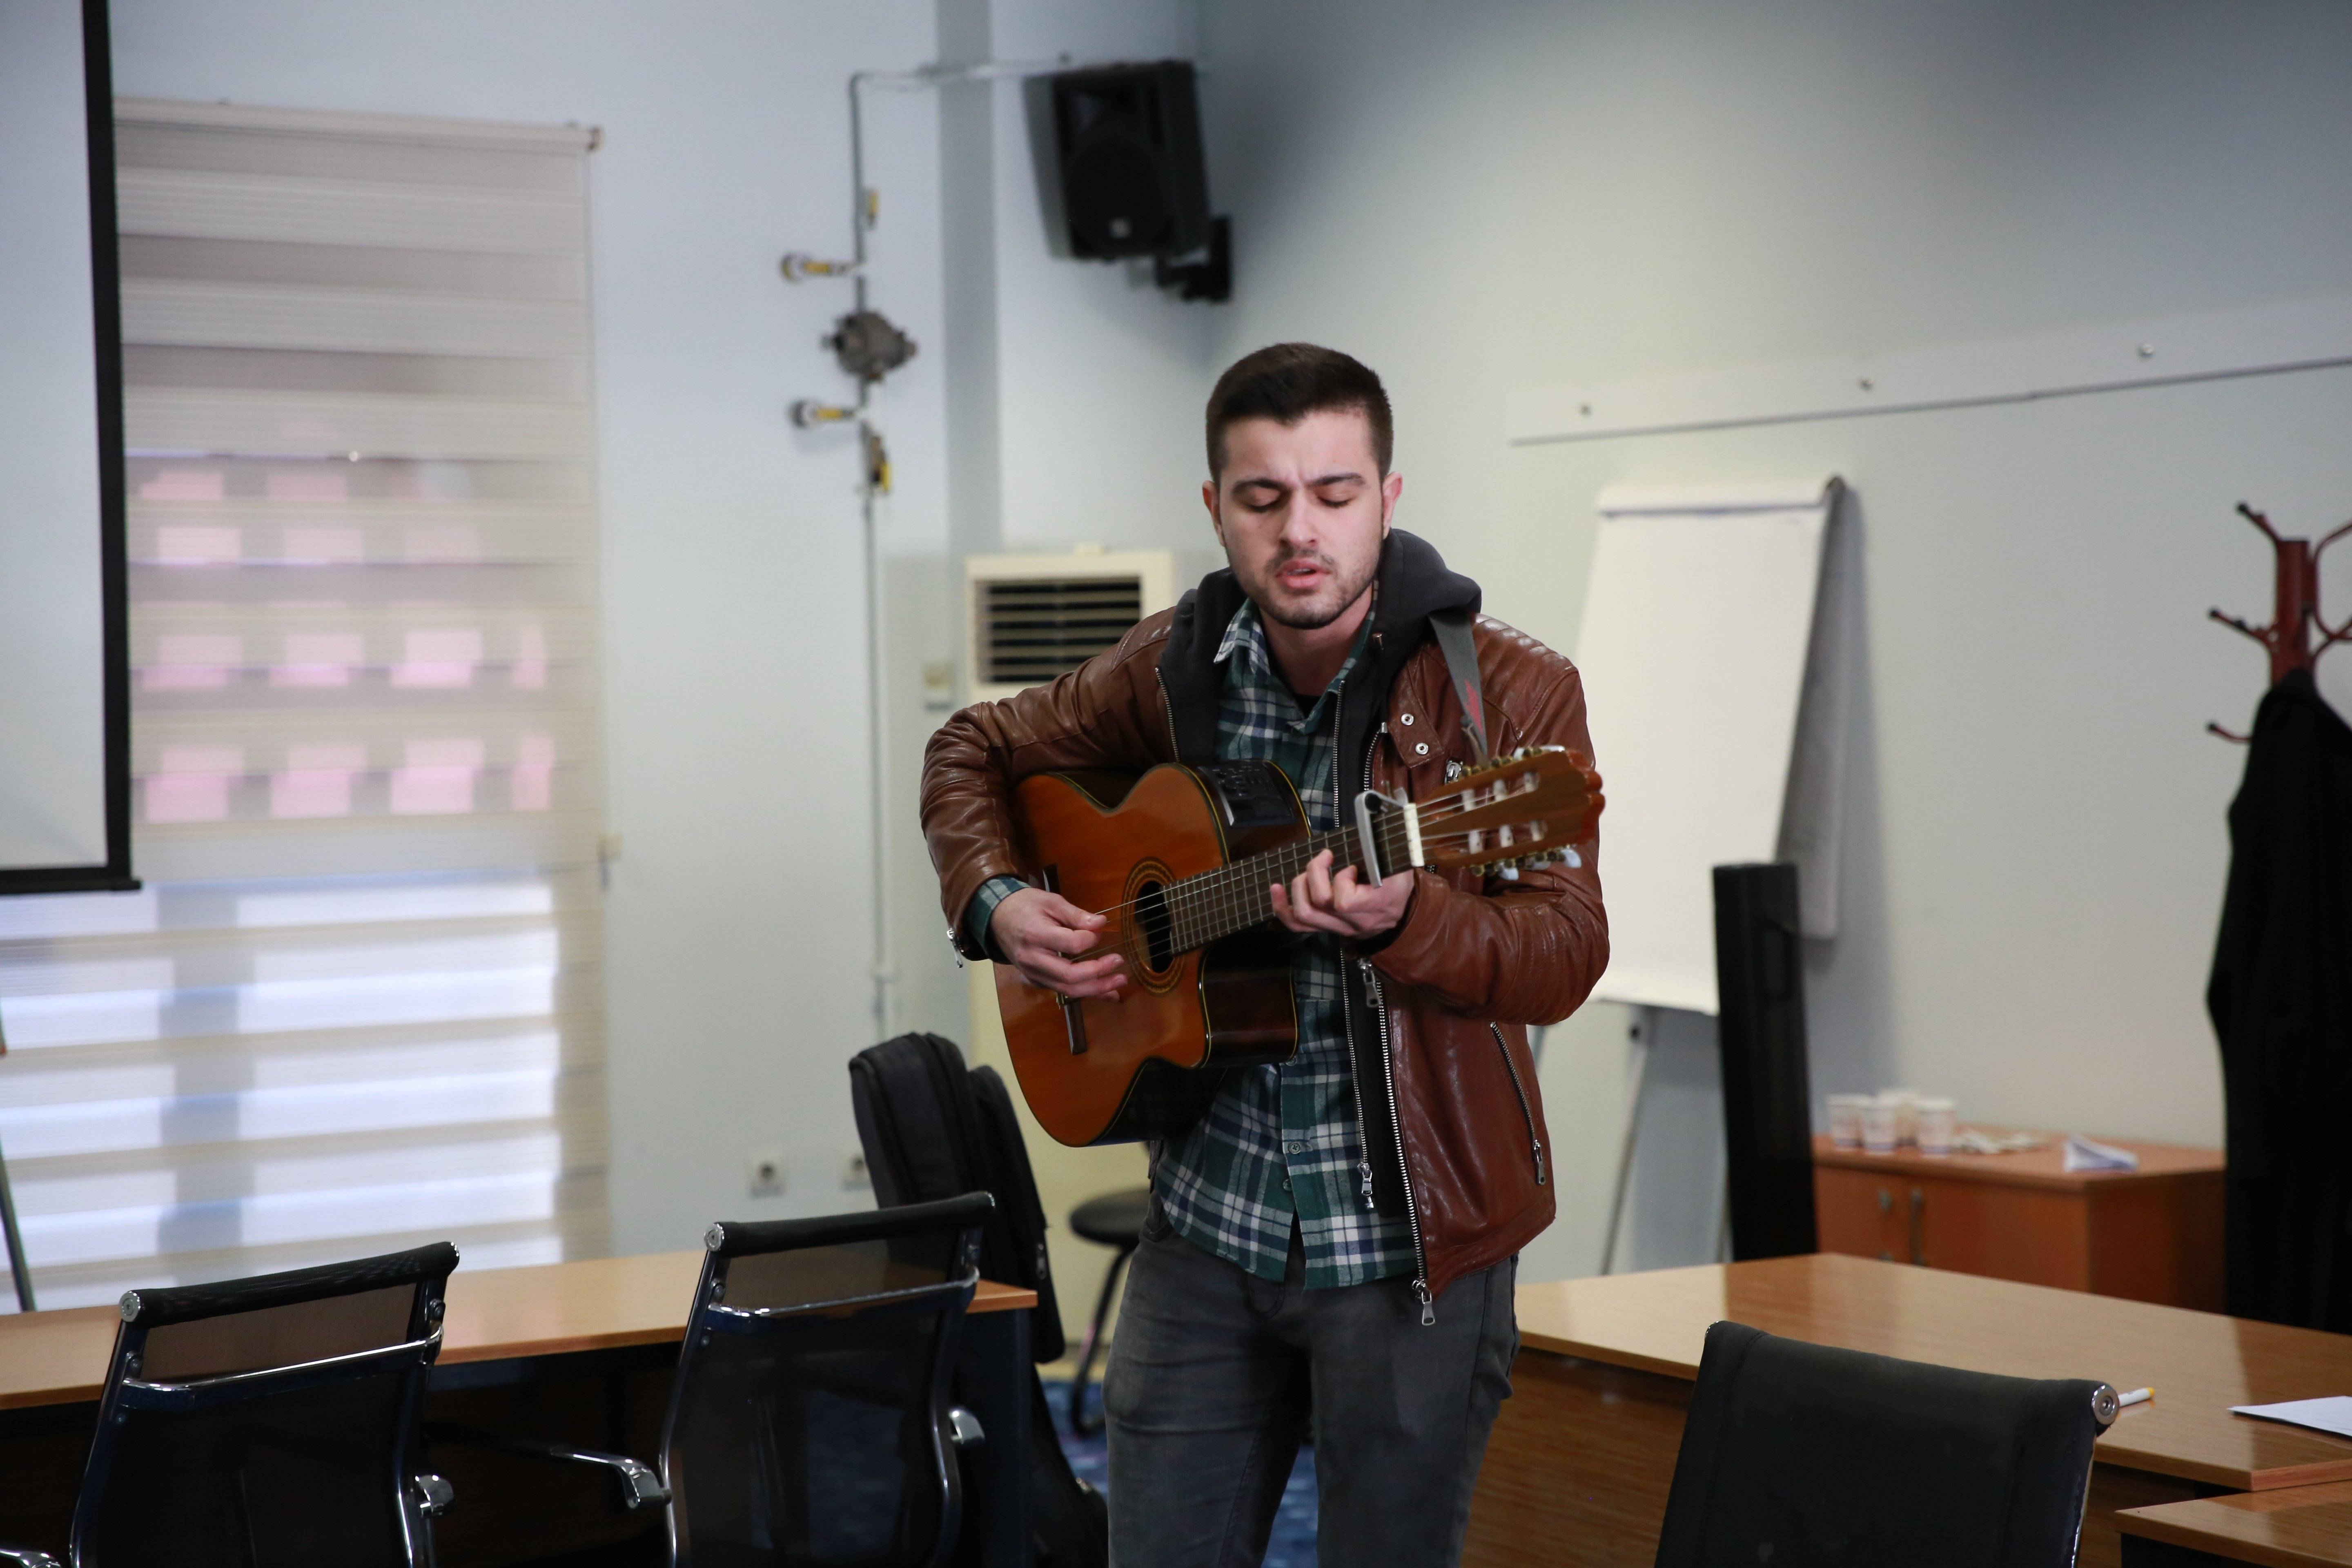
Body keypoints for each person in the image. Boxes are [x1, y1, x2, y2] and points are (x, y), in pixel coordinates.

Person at [920, 343, 1608, 1568]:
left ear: (1389, 498)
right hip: (1206, 1224)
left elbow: (1565, 950)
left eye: (1336, 494)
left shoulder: (1509, 694)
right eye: (1263, 497)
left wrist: (1409, 920)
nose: (1301, 531)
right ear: (1215, 506)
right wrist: (999, 900)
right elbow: (974, 744)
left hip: (1410, 1247)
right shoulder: (1173, 667)